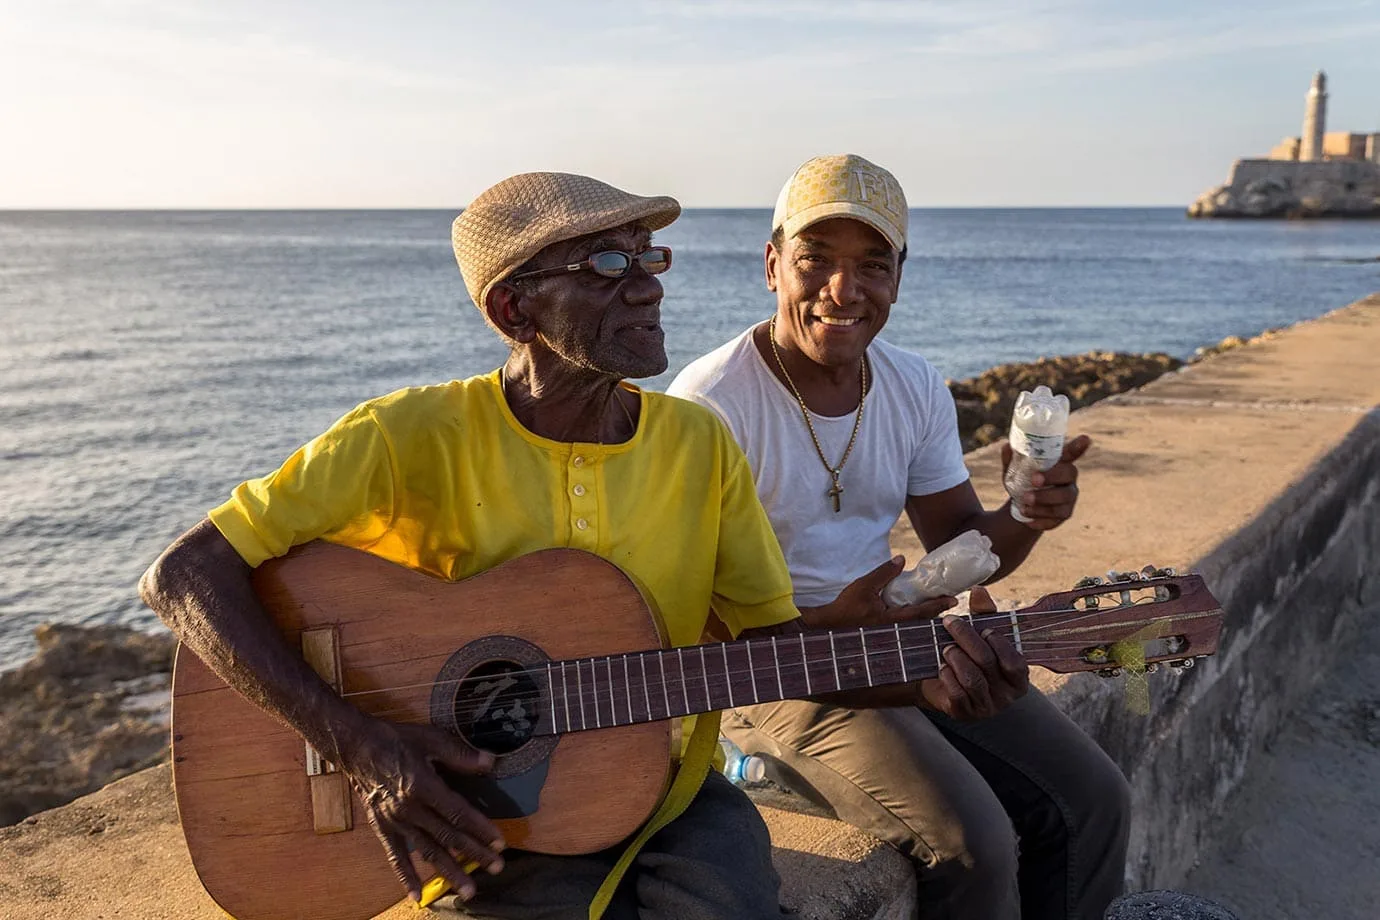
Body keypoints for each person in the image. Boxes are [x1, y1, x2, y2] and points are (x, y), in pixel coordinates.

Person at [138, 171, 1021, 920]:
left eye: (650, 258)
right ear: (512, 306)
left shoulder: (696, 443)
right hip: (475, 811)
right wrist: (368, 747)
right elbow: (183, 576)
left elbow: (764, 651)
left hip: (668, 790)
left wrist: (914, 668)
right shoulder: (406, 436)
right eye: (606, 264)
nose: (647, 285)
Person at [668, 153, 1133, 920]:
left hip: (892, 642)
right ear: (772, 264)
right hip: (766, 675)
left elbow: (964, 549)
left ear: (900, 276)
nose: (842, 292)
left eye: (872, 266)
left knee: (1095, 799)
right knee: (973, 841)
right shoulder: (710, 407)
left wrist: (1025, 511)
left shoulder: (913, 384)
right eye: (816, 261)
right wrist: (826, 634)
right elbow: (688, 628)